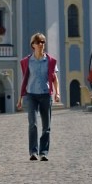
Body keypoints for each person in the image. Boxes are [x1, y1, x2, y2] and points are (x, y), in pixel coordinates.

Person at [16, 32, 59, 161]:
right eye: (38, 42)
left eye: (42, 42)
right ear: (33, 45)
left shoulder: (50, 61)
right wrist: (20, 99)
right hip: (31, 95)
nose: (41, 44)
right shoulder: (27, 61)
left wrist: (57, 93)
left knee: (46, 127)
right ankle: (33, 152)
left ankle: (43, 152)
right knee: (33, 124)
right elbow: (24, 80)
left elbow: (54, 78)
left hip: (45, 95)